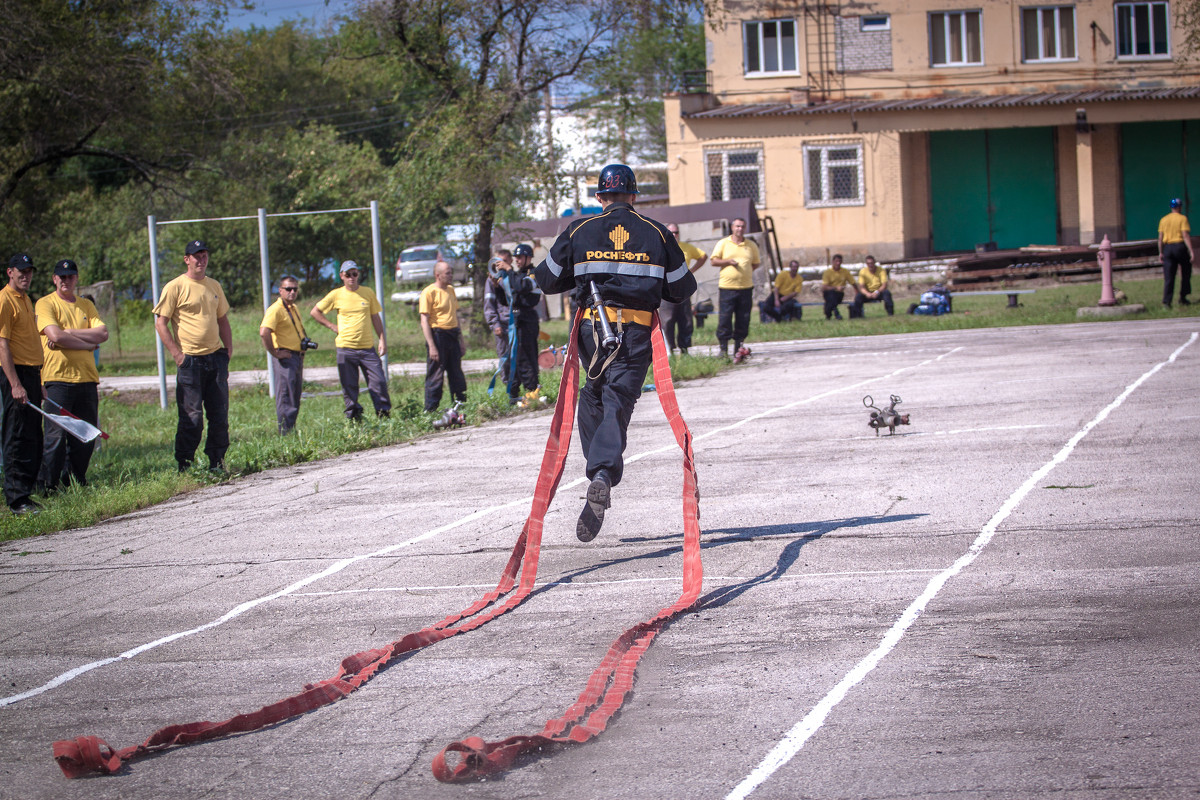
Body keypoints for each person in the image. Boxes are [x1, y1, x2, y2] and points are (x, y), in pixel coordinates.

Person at [533, 163, 696, 542]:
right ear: (634, 195)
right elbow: (680, 288)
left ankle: (599, 471)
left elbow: (546, 279)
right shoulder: (657, 232)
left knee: (591, 397)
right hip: (636, 331)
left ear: (600, 197)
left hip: (593, 327)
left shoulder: (578, 229)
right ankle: (603, 471)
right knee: (618, 399)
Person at [153, 240, 232, 473]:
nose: (201, 259)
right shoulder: (175, 286)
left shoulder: (214, 286)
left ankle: (217, 463)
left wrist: (227, 351)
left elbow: (223, 320)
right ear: (187, 259)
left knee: (219, 416)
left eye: (204, 254)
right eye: (196, 256)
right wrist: (178, 355)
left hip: (215, 358)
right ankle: (184, 465)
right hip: (191, 362)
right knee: (192, 417)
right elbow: (161, 323)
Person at [36, 259, 108, 491]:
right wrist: (87, 344)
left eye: (71, 276)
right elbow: (54, 337)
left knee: (85, 436)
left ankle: (76, 480)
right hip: (57, 378)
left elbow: (103, 333)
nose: (66, 280)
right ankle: (50, 486)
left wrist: (69, 333)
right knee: (55, 438)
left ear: (76, 278)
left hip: (86, 378)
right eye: (62, 277)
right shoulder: (45, 303)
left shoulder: (86, 305)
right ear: (54, 279)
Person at [311, 260, 391, 421]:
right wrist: (332, 326)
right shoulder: (336, 295)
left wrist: (382, 339)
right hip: (345, 348)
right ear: (342, 276)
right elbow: (315, 312)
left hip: (367, 348)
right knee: (350, 386)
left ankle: (383, 415)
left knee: (379, 382)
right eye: (348, 275)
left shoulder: (367, 292)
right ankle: (355, 418)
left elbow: (375, 317)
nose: (351, 278)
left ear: (358, 274)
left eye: (354, 274)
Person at [0, 253, 45, 514]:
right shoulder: (5, 300)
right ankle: (16, 498)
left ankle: (27, 492)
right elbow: (2, 344)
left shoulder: (25, 299)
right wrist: (15, 383)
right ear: (10, 272)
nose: (25, 276)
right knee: (17, 434)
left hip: (30, 373)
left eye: (29, 271)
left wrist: (35, 381)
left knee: (31, 434)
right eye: (21, 271)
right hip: (14, 373)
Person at [259, 275, 307, 434]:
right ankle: (285, 433)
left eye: (295, 289)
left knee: (295, 395)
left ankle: (290, 430)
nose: (292, 292)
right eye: (288, 289)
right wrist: (274, 352)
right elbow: (264, 332)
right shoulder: (276, 309)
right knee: (286, 397)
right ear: (280, 291)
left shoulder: (293, 308)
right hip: (285, 358)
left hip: (296, 357)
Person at [419, 260, 467, 412]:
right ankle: (431, 408)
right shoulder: (429, 292)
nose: (450, 275)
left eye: (451, 272)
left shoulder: (451, 290)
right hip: (438, 335)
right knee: (436, 373)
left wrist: (462, 340)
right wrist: (432, 345)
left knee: (456, 371)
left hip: (452, 334)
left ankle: (460, 402)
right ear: (437, 275)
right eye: (447, 273)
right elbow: (424, 320)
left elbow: (455, 316)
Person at [709, 217, 760, 359]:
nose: (740, 229)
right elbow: (713, 261)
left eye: (742, 226)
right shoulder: (723, 243)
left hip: (745, 288)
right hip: (727, 288)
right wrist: (728, 262)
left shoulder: (751, 245)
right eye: (737, 226)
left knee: (743, 318)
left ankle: (739, 348)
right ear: (732, 227)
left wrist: (744, 272)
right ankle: (723, 349)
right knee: (725, 318)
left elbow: (755, 264)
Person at [659, 224, 707, 354]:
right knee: (667, 321)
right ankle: (670, 349)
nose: (674, 234)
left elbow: (703, 256)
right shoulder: (661, 246)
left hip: (683, 291)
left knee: (685, 320)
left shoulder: (686, 248)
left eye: (676, 232)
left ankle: (685, 349)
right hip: (666, 290)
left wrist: (691, 271)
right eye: (671, 232)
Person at [508, 243, 544, 405]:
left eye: (520, 257)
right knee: (514, 356)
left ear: (528, 258)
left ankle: (531, 390)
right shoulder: (516, 275)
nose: (517, 260)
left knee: (527, 355)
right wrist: (497, 285)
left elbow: (522, 287)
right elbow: (506, 298)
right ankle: (514, 393)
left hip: (527, 318)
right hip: (515, 317)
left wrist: (508, 272)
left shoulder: (534, 274)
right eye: (515, 257)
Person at [483, 249, 515, 385]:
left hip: (516, 322)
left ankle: (518, 382)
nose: (500, 266)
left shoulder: (514, 277)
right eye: (498, 263)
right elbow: (489, 304)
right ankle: (507, 383)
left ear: (510, 261)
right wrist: (494, 323)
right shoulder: (491, 280)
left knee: (518, 355)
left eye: (504, 262)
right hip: (502, 323)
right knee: (504, 355)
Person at [1158, 198, 1193, 308]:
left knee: (1169, 276)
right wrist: (1191, 251)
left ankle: (1167, 302)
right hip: (1180, 247)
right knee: (1186, 272)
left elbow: (1160, 238)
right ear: (1180, 207)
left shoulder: (1163, 220)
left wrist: (1161, 252)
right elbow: (1185, 235)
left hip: (1168, 248)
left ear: (1170, 207)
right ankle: (1183, 297)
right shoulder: (1183, 219)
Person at [821, 254, 855, 320]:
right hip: (828, 294)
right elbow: (824, 287)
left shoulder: (845, 272)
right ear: (833, 262)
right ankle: (836, 313)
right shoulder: (827, 272)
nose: (838, 263)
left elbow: (853, 283)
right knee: (831, 294)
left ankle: (828, 313)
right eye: (836, 261)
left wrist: (857, 292)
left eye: (840, 261)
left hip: (839, 294)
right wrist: (836, 288)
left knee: (830, 299)